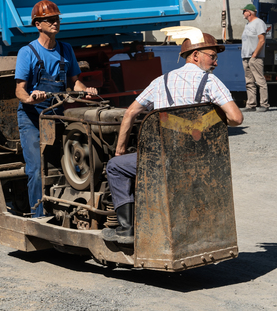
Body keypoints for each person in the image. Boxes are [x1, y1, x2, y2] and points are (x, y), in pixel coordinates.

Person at [101, 31, 243, 244]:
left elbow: (130, 113)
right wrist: (207, 121)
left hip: (162, 162)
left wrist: (120, 149)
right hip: (197, 162)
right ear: (195, 56)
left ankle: (127, 229)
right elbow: (236, 119)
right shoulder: (211, 82)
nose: (215, 62)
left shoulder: (161, 82)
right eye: (212, 56)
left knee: (115, 166)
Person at [15, 0, 97, 217]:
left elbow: (74, 83)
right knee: (36, 169)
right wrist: (31, 97)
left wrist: (85, 89)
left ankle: (68, 210)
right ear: (37, 25)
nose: (55, 23)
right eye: (49, 20)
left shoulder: (66, 49)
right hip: (33, 117)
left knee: (72, 163)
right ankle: (38, 215)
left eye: (57, 19)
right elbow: (19, 91)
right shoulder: (27, 52)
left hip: (57, 113)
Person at [241, 4, 269, 112]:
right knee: (249, 82)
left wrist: (254, 55)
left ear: (249, 12)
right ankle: (251, 104)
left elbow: (262, 40)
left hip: (255, 57)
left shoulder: (259, 23)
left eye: (244, 11)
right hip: (246, 57)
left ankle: (264, 104)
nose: (243, 13)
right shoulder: (247, 25)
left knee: (260, 80)